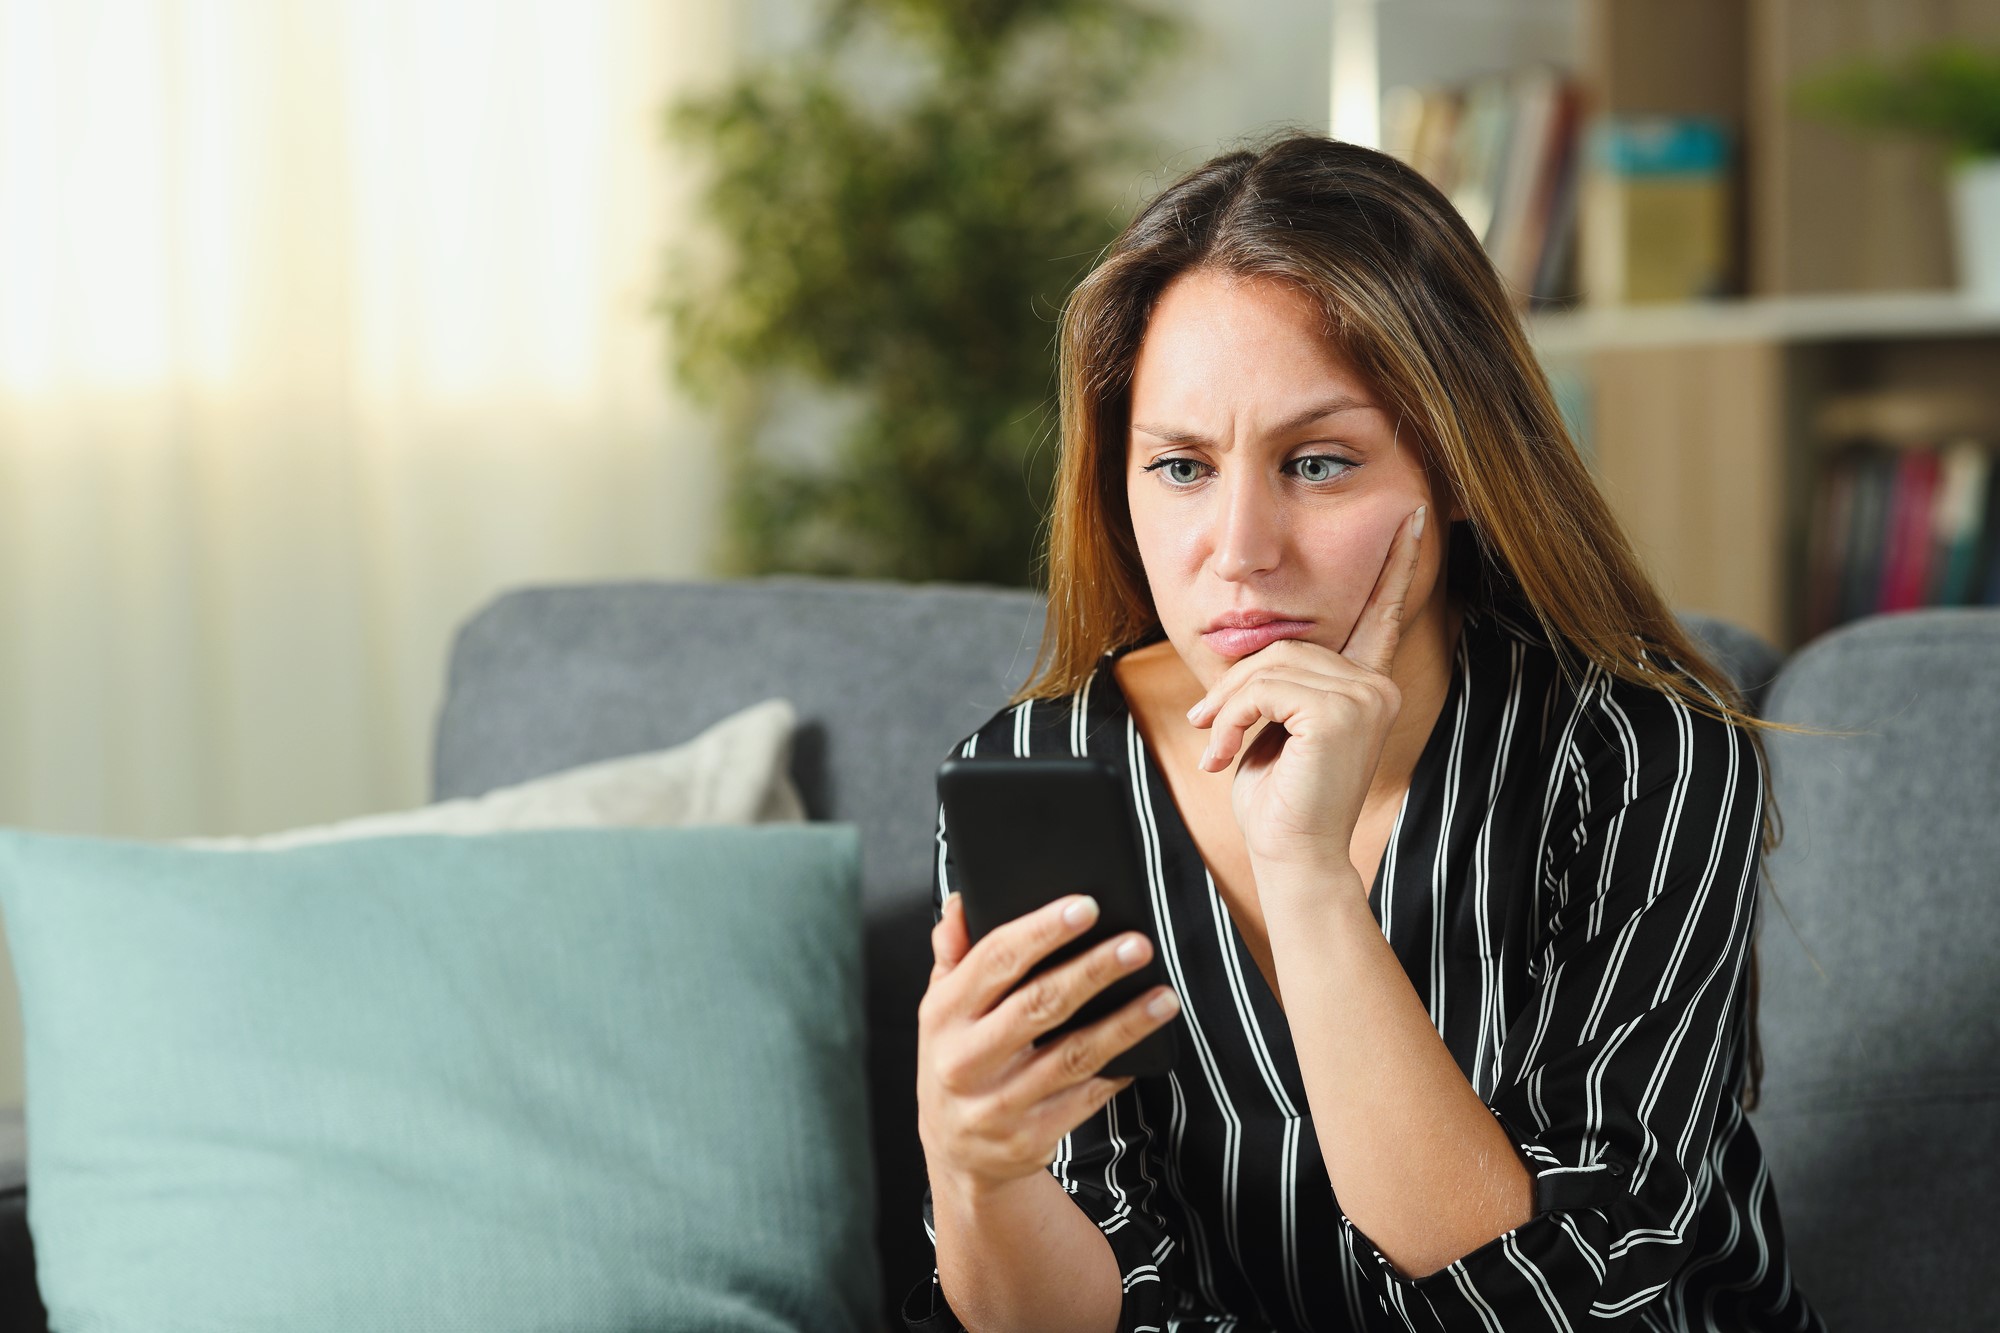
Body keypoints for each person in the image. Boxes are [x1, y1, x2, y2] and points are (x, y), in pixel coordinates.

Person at [902, 132, 1828, 1333]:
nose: (1237, 548)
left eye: (1319, 463)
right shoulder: (1039, 780)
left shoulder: (1639, 759)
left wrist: (1305, 876)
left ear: (1455, 463)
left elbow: (1565, 1303)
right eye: (1180, 467)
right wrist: (980, 1171)